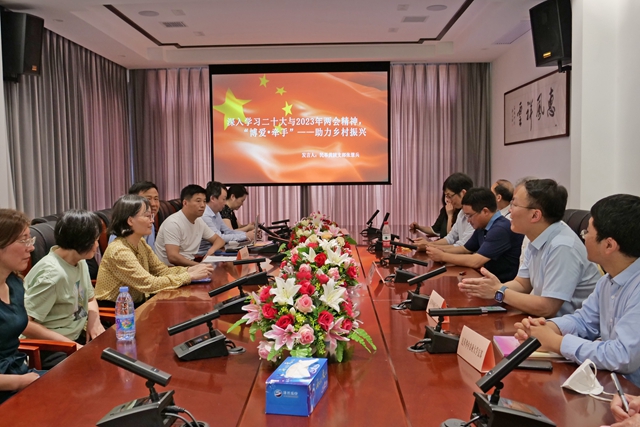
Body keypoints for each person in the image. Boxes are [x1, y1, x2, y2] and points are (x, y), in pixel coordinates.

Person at [515, 194, 640, 390]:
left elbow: (622, 355)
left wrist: (557, 342)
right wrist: (549, 327)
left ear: (609, 245)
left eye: (587, 232)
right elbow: (584, 320)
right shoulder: (608, 281)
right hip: (609, 382)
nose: (583, 237)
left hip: (631, 393)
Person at [458, 179, 600, 317]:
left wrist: (499, 292)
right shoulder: (535, 236)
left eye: (514, 205)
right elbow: (522, 284)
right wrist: (489, 288)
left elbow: (548, 308)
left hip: (567, 327)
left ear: (535, 215)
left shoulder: (563, 246)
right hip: (542, 321)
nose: (509, 211)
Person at [22, 210, 106, 368]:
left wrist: (94, 322)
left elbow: (90, 299)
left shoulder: (79, 261)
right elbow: (25, 324)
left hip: (77, 335)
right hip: (52, 345)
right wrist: (72, 346)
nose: (97, 245)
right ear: (81, 240)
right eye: (95, 240)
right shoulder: (52, 274)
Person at [96, 195, 213, 306]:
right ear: (130, 221)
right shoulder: (119, 250)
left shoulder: (140, 242)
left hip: (137, 304)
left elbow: (161, 271)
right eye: (147, 216)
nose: (152, 221)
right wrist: (189, 276)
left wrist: (189, 269)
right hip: (116, 310)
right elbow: (149, 284)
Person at [426, 188, 523, 282]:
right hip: (487, 280)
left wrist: (442, 256)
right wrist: (437, 249)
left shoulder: (500, 229)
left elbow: (475, 261)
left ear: (485, 211)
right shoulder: (483, 225)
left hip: (504, 285)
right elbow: (465, 249)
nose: (468, 220)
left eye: (470, 215)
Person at [0, 209, 41, 404]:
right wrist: (20, 382)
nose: (31, 248)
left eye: (30, 239)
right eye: (23, 240)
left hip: (18, 372)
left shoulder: (14, 283)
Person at [155, 185, 225, 266]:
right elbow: (173, 257)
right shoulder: (173, 223)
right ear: (185, 203)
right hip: (170, 269)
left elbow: (219, 240)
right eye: (198, 201)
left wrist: (210, 252)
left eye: (204, 201)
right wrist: (198, 266)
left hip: (189, 264)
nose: (203, 205)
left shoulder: (199, 221)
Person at [413, 172, 475, 249]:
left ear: (463, 193)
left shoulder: (475, 214)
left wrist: (428, 246)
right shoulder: (461, 213)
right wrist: (429, 244)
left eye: (450, 196)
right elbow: (450, 237)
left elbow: (463, 246)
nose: (449, 200)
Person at [200, 181, 255, 254]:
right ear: (213, 198)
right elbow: (219, 237)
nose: (225, 202)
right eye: (223, 199)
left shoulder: (216, 213)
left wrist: (248, 234)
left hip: (217, 250)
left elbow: (228, 231)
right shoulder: (205, 215)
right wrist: (245, 236)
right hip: (204, 254)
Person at [108, 181, 160, 250]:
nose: (153, 204)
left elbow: (150, 254)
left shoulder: (149, 225)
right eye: (148, 199)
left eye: (156, 199)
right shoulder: (118, 240)